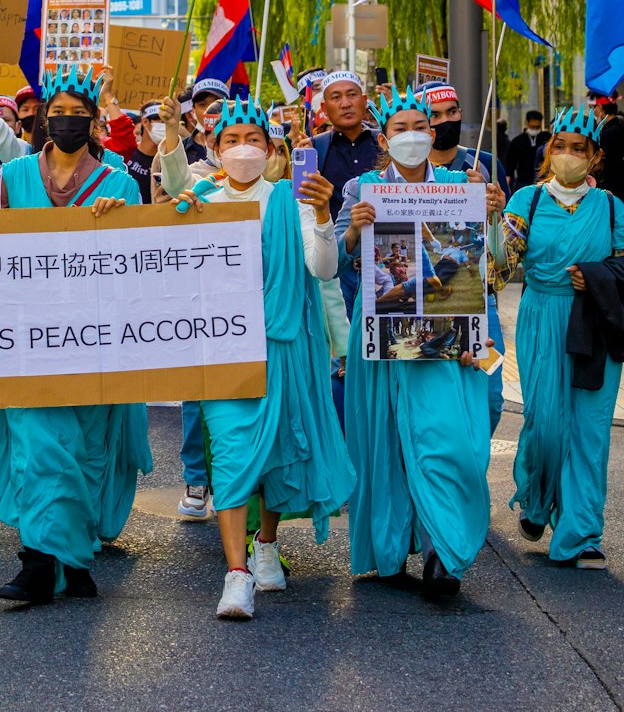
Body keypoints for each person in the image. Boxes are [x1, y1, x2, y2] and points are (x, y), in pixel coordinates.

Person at [173, 97, 352, 620]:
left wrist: (322, 214)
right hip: (221, 350)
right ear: (214, 148)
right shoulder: (199, 199)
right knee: (230, 454)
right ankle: (236, 574)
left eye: (253, 139)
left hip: (282, 348)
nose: (243, 149)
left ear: (272, 150)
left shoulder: (289, 201)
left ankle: (266, 545)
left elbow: (323, 269)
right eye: (231, 140)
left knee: (274, 451)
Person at [0, 62, 152, 605]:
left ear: (94, 121)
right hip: (27, 342)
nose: (68, 122)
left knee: (82, 449)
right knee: (35, 448)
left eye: (79, 115)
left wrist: (121, 217)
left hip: (93, 342)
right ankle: (35, 562)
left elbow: (141, 262)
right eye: (58, 114)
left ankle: (74, 561)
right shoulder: (11, 180)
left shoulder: (120, 183)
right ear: (44, 119)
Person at [337, 85, 504, 601]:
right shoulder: (361, 187)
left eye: (418, 128)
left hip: (446, 336)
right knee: (385, 441)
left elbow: (498, 259)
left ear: (432, 134)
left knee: (445, 438)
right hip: (386, 330)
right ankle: (390, 548)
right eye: (399, 129)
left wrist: (494, 211)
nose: (410, 136)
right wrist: (351, 233)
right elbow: (337, 260)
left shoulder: (462, 182)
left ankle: (443, 552)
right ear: (383, 139)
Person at [489, 105, 624, 569]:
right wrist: (492, 223)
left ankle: (581, 534)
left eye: (580, 149)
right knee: (545, 425)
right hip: (541, 317)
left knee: (589, 429)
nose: (570, 156)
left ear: (594, 156)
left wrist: (595, 279)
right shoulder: (525, 202)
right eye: (562, 147)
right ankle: (536, 500)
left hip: (593, 321)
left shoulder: (612, 206)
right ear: (549, 149)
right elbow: (497, 273)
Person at [421, 80, 509, 433]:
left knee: (489, 394)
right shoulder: (407, 172)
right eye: (435, 115)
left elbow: (502, 255)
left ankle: (475, 466)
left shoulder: (485, 163)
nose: (445, 121)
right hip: (427, 298)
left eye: (452, 112)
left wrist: (495, 213)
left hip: (478, 299)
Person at [296, 70, 380, 317]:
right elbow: (303, 205)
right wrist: (301, 166)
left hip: (382, 259)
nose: (345, 103)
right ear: (324, 106)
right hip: (337, 267)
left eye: (351, 95)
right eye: (336, 97)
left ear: (364, 102)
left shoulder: (386, 143)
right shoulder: (312, 148)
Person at [505, 110, 549, 192]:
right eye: (532, 126)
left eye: (537, 127)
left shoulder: (546, 138)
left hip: (543, 180)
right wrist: (508, 178)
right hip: (523, 181)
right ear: (526, 123)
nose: (535, 129)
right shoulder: (518, 141)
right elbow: (510, 161)